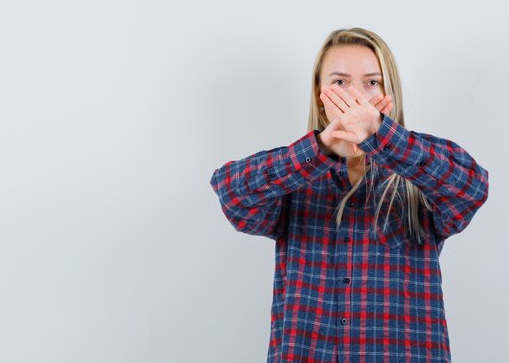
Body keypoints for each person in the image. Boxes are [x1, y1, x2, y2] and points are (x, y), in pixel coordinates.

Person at [209, 27, 489, 363]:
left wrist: (381, 135)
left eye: (371, 82)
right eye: (340, 82)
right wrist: (324, 147)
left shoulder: (418, 170)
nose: (356, 95)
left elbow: (472, 187)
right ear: (319, 92)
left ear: (388, 90)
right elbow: (231, 194)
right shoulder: (294, 177)